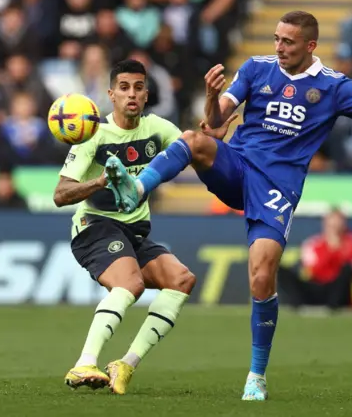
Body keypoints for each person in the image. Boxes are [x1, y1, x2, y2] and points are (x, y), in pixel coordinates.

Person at [104, 11, 352, 401]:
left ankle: (256, 376)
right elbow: (214, 126)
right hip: (238, 166)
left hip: (276, 189)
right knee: (191, 140)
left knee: (261, 276)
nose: (279, 47)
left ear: (310, 46)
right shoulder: (256, 68)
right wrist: (213, 97)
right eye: (276, 38)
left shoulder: (335, 86)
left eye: (288, 41)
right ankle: (137, 188)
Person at [53, 60, 230, 395]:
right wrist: (101, 180)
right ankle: (84, 363)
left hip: (134, 233)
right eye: (123, 87)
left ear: (147, 95)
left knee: (181, 280)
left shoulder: (157, 129)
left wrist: (212, 136)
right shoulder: (94, 136)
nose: (131, 94)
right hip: (95, 227)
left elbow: (192, 149)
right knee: (130, 284)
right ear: (111, 95)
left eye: (137, 87)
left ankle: (126, 364)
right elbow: (60, 194)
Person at [278, 209, 352, 310]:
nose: (334, 228)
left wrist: (336, 248)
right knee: (280, 270)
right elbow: (313, 269)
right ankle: (298, 302)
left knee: (346, 271)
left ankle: (334, 305)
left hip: (337, 291)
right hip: (316, 286)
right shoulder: (313, 244)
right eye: (332, 225)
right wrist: (332, 249)